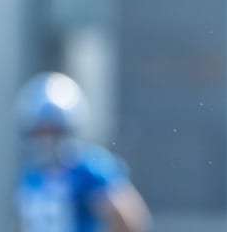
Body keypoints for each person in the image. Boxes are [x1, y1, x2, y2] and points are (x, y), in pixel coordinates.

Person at [15, 71, 151, 232]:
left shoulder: (88, 167)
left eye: (53, 131)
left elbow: (128, 219)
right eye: (41, 132)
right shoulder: (30, 173)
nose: (46, 140)